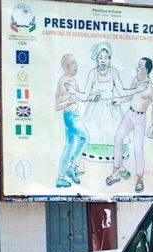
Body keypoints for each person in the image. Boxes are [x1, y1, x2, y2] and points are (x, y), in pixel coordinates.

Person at [79, 42, 135, 173]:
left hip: (111, 108)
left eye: (106, 57)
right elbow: (86, 94)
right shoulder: (93, 73)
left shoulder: (114, 72)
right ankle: (80, 165)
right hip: (95, 109)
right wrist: (92, 96)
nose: (103, 60)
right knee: (90, 134)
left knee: (116, 135)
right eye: (100, 58)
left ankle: (120, 166)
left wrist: (136, 90)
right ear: (97, 59)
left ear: (110, 59)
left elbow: (121, 91)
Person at [106, 57, 153, 193]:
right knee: (118, 138)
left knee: (137, 149)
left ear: (147, 70)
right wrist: (120, 100)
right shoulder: (136, 80)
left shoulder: (151, 88)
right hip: (130, 114)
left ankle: (139, 178)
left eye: (140, 66)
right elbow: (132, 96)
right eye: (138, 65)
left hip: (140, 119)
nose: (137, 68)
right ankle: (116, 171)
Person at [54, 54, 91, 188]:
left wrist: (89, 97)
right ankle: (73, 166)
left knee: (69, 146)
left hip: (73, 115)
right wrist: (69, 101)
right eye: (73, 64)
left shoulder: (73, 81)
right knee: (85, 137)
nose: (76, 66)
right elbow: (57, 105)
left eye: (76, 63)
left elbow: (79, 97)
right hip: (70, 117)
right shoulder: (63, 82)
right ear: (66, 67)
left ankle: (60, 178)